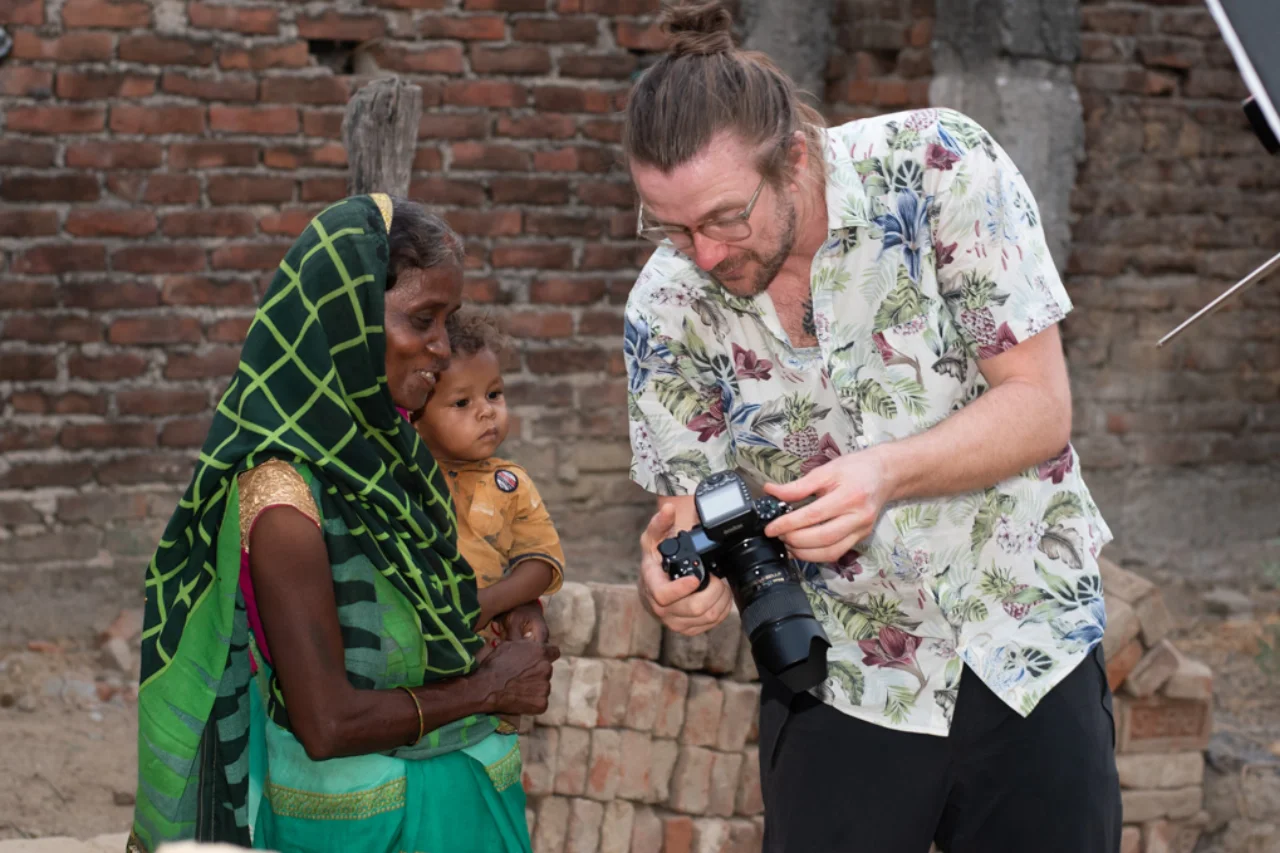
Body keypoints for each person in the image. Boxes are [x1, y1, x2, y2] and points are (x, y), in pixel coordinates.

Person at [622, 3, 1121, 851]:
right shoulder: (664, 307)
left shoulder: (942, 168)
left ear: (794, 159)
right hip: (840, 679)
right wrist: (666, 580)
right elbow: (687, 510)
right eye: (669, 225)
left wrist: (882, 472)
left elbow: (1039, 406)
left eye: (723, 218)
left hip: (1025, 643)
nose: (701, 253)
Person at [128, 195, 559, 853]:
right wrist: (489, 686)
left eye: (450, 320)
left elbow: (438, 603)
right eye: (423, 319)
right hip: (365, 825)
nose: (443, 349)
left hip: (460, 795)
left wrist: (517, 613)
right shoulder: (283, 496)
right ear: (347, 320)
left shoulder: (392, 452)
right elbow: (327, 720)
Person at [411, 308, 566, 639]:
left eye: (493, 394)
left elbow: (541, 562)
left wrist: (488, 603)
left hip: (487, 641)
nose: (486, 411)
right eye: (462, 402)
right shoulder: (404, 476)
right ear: (417, 416)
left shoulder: (511, 484)